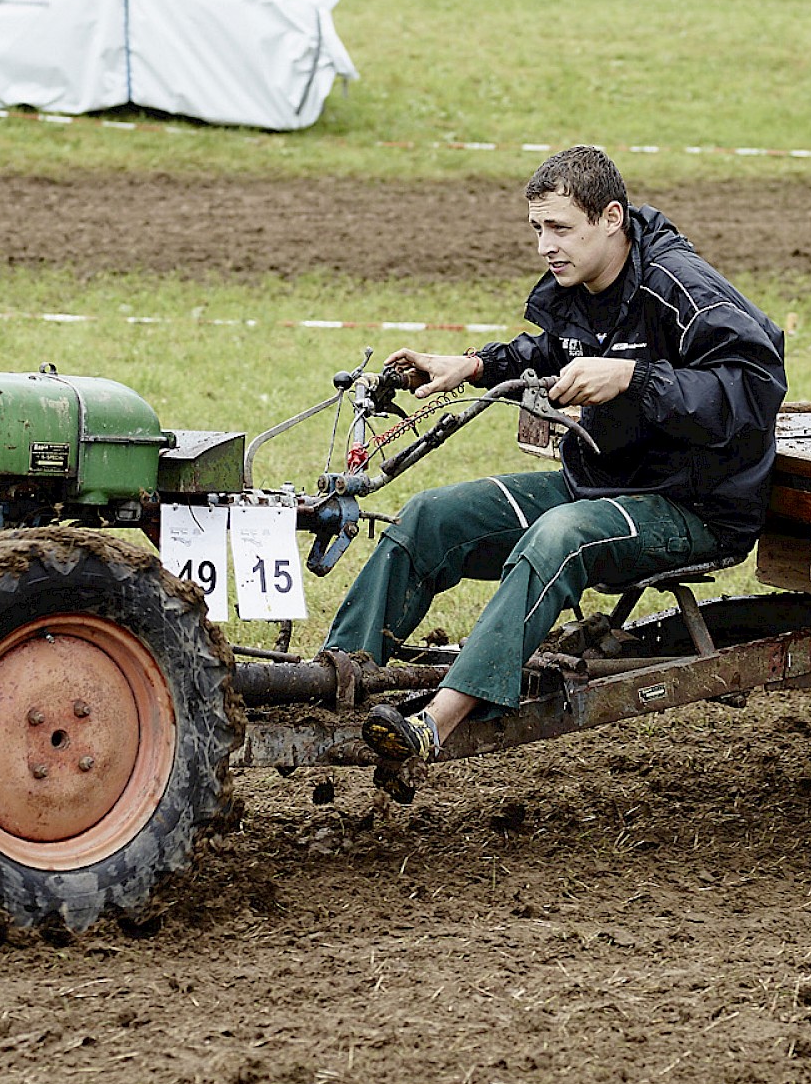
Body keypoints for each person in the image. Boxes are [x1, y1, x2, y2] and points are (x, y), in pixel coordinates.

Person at [327, 146, 787, 788]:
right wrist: (474, 364)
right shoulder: (583, 282)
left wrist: (633, 377)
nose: (546, 245)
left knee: (559, 536)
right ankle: (338, 683)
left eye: (561, 228)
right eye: (538, 229)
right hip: (600, 484)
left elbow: (757, 383)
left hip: (693, 507)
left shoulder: (680, 285)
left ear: (611, 218)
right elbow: (549, 347)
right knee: (432, 517)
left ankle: (434, 724)